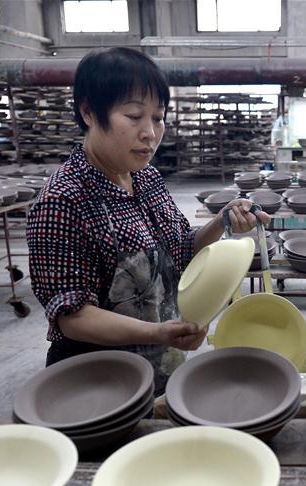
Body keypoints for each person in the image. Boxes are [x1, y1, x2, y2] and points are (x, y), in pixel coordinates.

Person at [27, 47, 268, 394]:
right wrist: (158, 332)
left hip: (159, 364)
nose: (150, 133)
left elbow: (180, 249)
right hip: (98, 380)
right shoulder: (62, 201)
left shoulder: (146, 178)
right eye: (134, 116)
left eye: (157, 118)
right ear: (89, 112)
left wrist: (222, 221)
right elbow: (73, 316)